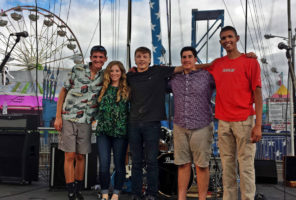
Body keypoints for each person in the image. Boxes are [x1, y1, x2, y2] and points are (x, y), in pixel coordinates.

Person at [126, 47, 210, 200]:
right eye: (139, 57)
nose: (142, 59)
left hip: (153, 123)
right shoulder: (130, 76)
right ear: (135, 59)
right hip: (134, 123)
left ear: (150, 59)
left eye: (145, 56)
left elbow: (186, 66)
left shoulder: (159, 71)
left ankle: (151, 193)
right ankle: (135, 194)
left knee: (152, 161)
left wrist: (215, 63)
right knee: (136, 161)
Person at [206, 26, 263, 200]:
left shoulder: (250, 62)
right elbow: (195, 66)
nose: (227, 40)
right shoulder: (217, 64)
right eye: (223, 38)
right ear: (220, 42)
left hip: (244, 120)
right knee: (227, 167)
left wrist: (258, 125)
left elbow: (258, 95)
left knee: (246, 167)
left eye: (230, 37)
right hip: (223, 122)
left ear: (237, 38)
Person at [54, 45, 107, 200]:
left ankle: (78, 189)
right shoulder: (77, 70)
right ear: (90, 58)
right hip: (68, 117)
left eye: (101, 57)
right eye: (95, 56)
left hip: (87, 120)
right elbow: (63, 91)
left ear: (105, 59)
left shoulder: (104, 76)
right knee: (69, 156)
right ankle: (70, 192)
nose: (97, 59)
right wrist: (58, 117)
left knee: (81, 156)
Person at [169, 46, 215, 200]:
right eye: (184, 57)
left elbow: (224, 73)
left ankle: (202, 198)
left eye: (190, 56)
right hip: (180, 125)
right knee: (183, 164)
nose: (186, 59)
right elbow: (157, 73)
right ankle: (181, 198)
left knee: (201, 165)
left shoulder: (207, 76)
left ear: (195, 59)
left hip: (202, 125)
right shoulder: (174, 78)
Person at [95, 61, 130, 200]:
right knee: (103, 164)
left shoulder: (128, 90)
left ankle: (116, 193)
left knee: (119, 164)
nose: (114, 73)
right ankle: (104, 193)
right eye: (111, 71)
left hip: (120, 133)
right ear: (108, 73)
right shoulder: (102, 89)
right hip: (103, 132)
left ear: (121, 73)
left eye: (117, 71)